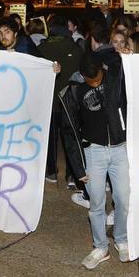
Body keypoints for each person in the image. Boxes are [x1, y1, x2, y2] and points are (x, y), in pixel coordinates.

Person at [59, 50, 130, 269]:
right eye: (90, 81)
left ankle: (122, 240)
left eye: (98, 78)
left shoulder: (116, 77)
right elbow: (69, 131)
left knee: (123, 199)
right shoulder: (73, 90)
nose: (95, 82)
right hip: (94, 152)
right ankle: (100, 246)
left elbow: (111, 54)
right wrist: (78, 168)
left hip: (120, 149)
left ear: (102, 69)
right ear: (82, 75)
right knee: (96, 203)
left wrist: (120, 53)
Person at [37, 15, 85, 187]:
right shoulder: (75, 48)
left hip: (49, 102)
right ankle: (72, 175)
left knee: (50, 139)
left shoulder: (41, 49)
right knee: (70, 139)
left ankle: (51, 172)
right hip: (69, 101)